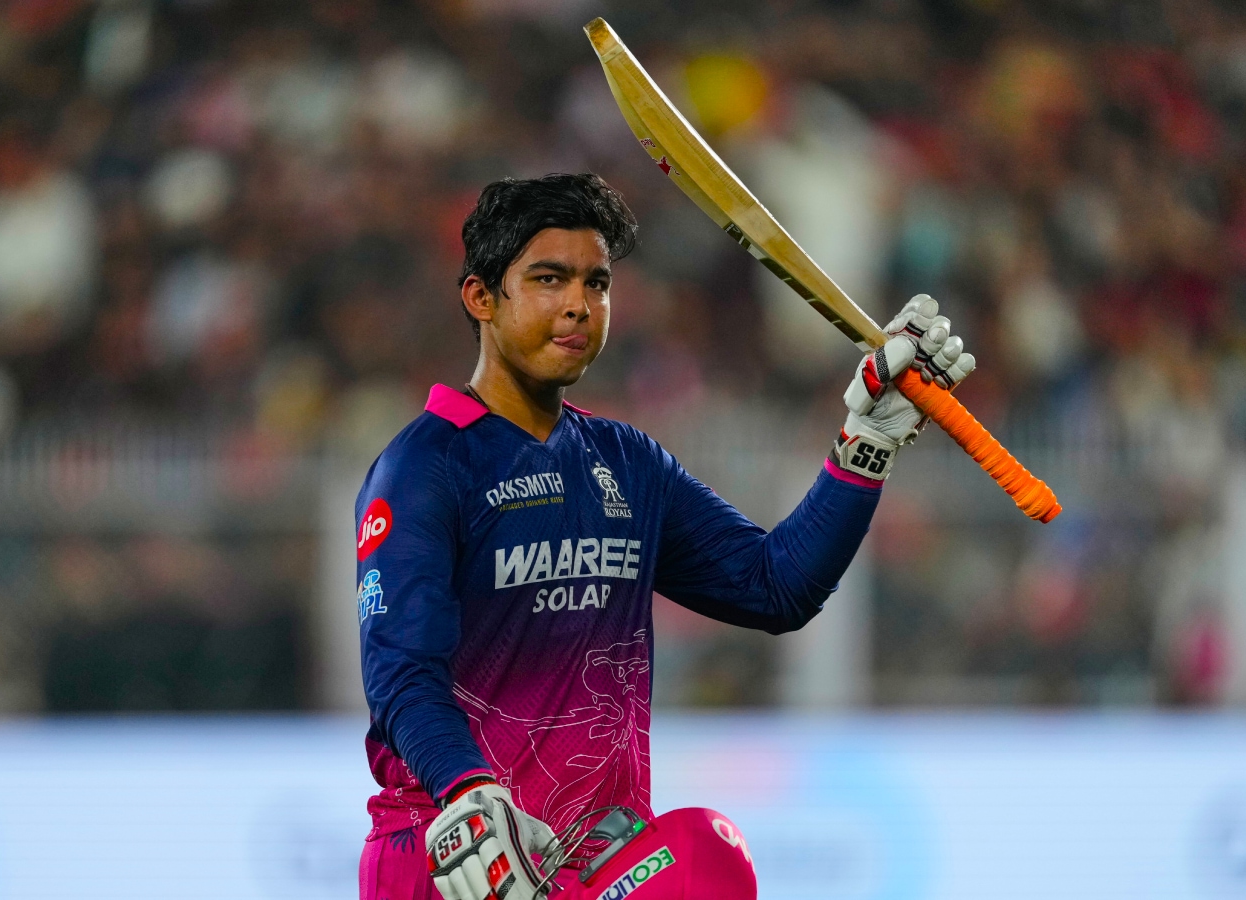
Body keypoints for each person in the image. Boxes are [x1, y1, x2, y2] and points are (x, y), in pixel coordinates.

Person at [356, 173, 973, 900]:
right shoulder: (426, 465)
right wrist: (468, 793)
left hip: (589, 868)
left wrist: (866, 443)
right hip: (457, 856)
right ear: (482, 298)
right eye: (549, 280)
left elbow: (775, 587)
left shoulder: (626, 463)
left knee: (706, 855)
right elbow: (401, 674)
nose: (579, 305)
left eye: (597, 283)